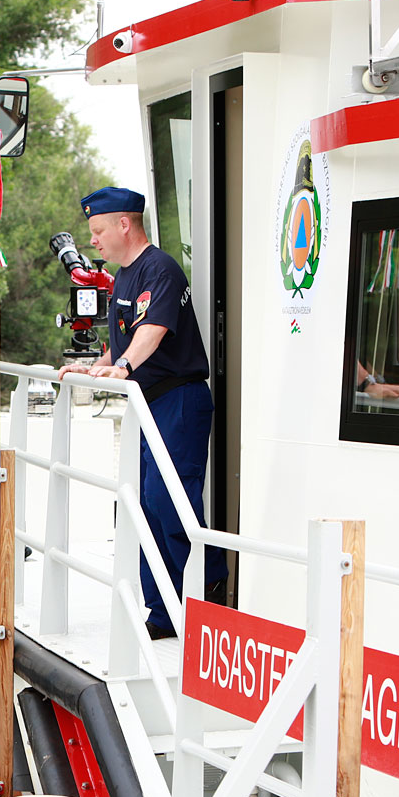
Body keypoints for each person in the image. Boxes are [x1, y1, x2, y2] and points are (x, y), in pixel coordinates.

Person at [57, 187, 228, 639]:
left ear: (123, 225)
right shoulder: (125, 276)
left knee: (167, 500)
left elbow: (151, 331)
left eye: (97, 230)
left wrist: (124, 367)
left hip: (178, 400)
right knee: (138, 506)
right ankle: (163, 613)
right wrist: (95, 365)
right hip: (147, 402)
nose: (92, 240)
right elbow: (125, 337)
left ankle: (208, 583)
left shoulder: (159, 269)